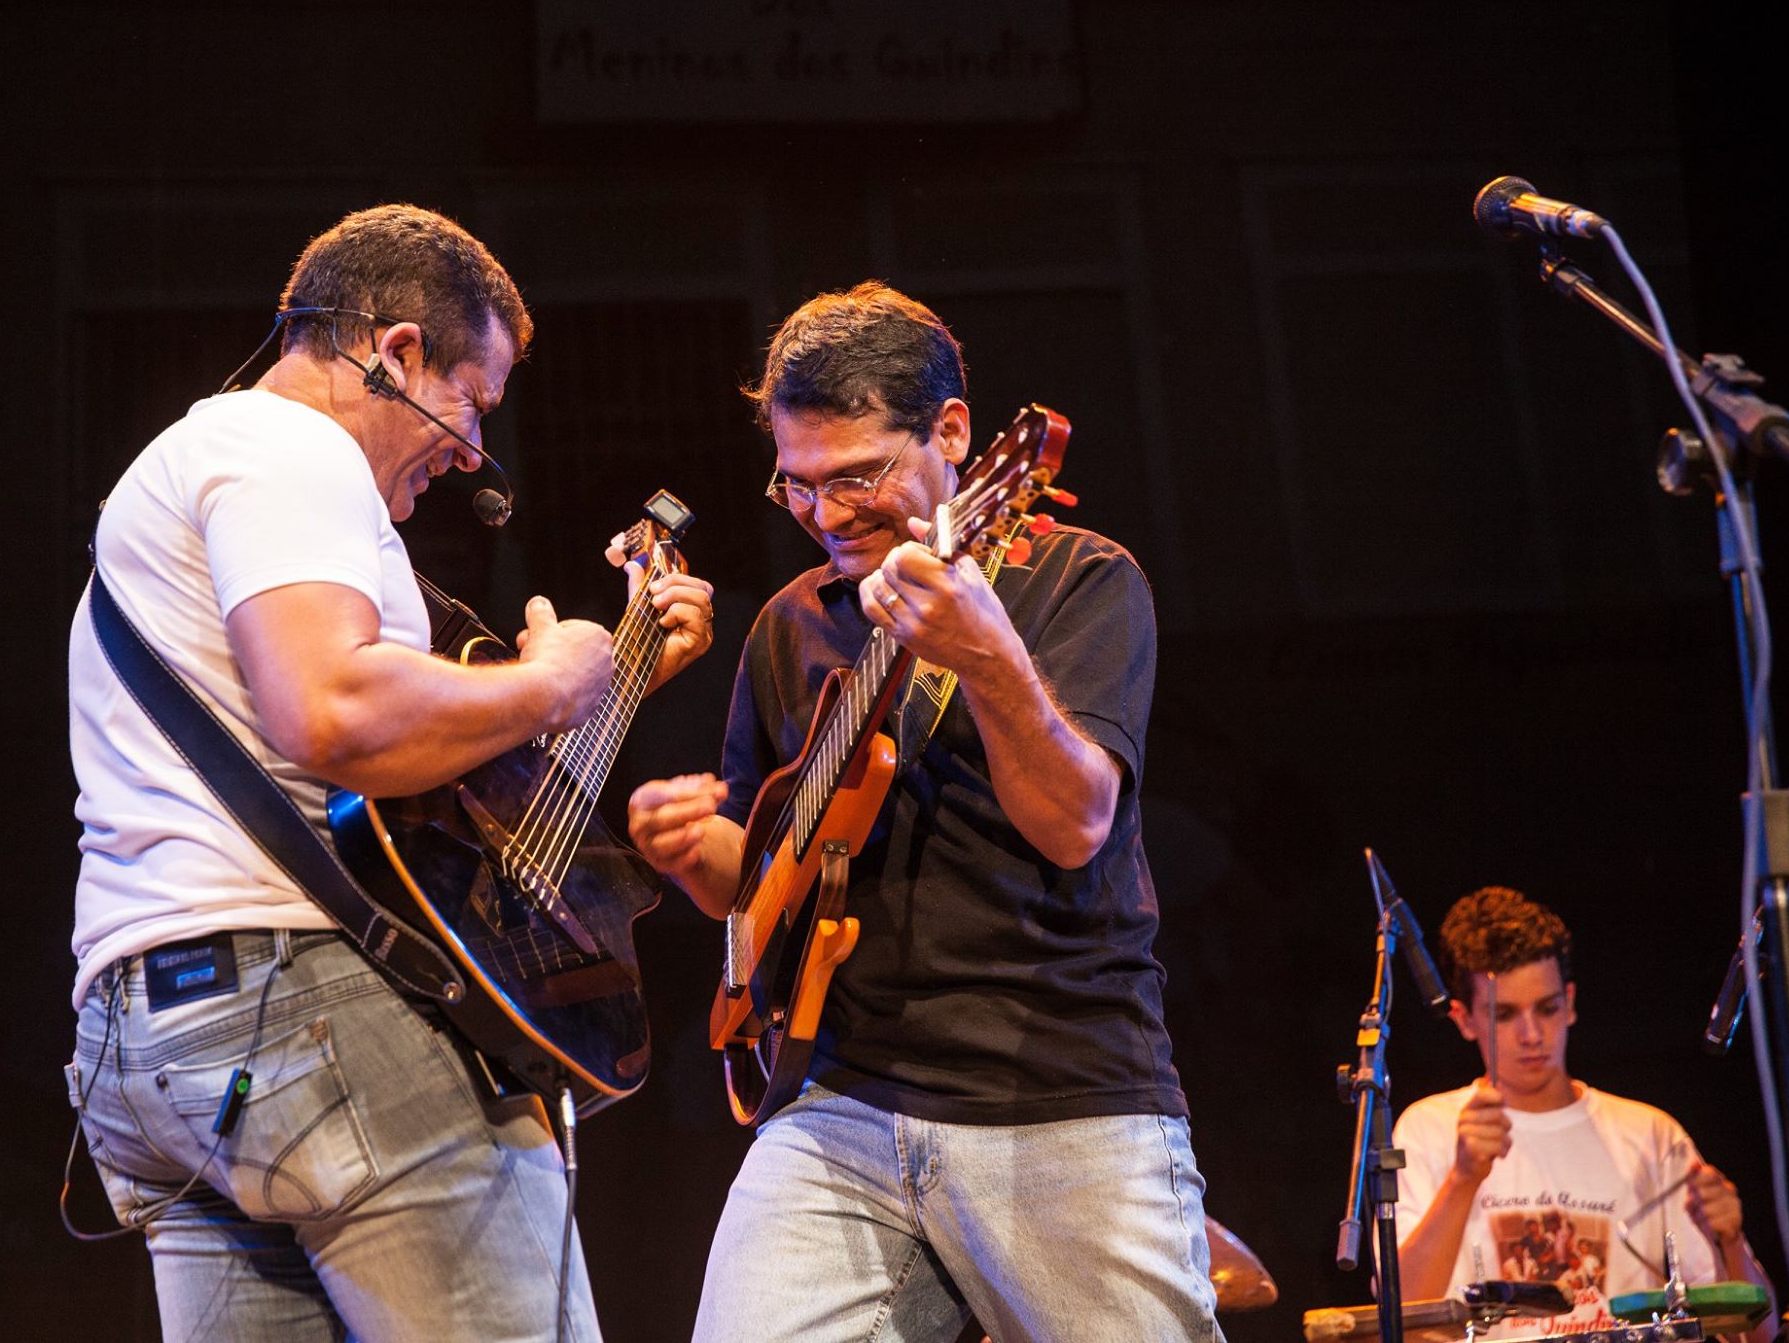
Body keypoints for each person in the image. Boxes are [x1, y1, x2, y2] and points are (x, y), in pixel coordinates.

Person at [64, 203, 715, 1341]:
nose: (472, 452)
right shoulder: (290, 448)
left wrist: (608, 683)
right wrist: (549, 682)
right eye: (474, 402)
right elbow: (333, 709)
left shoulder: (189, 469)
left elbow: (404, 789)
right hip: (309, 1012)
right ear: (396, 352)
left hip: (152, 1046)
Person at [627, 282, 1222, 1342]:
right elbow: (755, 883)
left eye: (857, 476)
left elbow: (1075, 824)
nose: (826, 515)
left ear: (953, 434)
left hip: (1054, 1096)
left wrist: (987, 657)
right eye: (798, 484)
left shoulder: (1080, 581)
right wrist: (684, 846)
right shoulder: (789, 625)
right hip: (834, 1104)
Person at [1393, 885, 1778, 1342]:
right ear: (1464, 1019)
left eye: (1547, 1008)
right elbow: (1397, 1321)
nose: (1532, 1034)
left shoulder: (1649, 1133)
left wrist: (1730, 1241)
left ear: (1571, 1002)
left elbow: (1760, 1335)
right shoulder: (1429, 1129)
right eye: (1505, 1015)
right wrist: (1463, 1180)